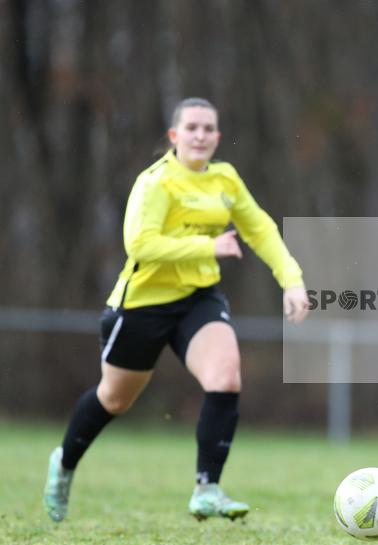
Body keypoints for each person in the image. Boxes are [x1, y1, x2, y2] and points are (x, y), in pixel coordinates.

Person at [43, 97, 309, 523]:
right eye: (192, 128)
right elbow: (139, 244)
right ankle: (64, 464)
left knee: (225, 376)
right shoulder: (156, 183)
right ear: (174, 136)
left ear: (217, 137)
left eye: (208, 129)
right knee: (114, 398)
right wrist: (209, 245)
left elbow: (258, 227)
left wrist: (291, 279)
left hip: (197, 299)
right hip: (143, 304)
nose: (200, 135)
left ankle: (208, 488)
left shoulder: (225, 179)